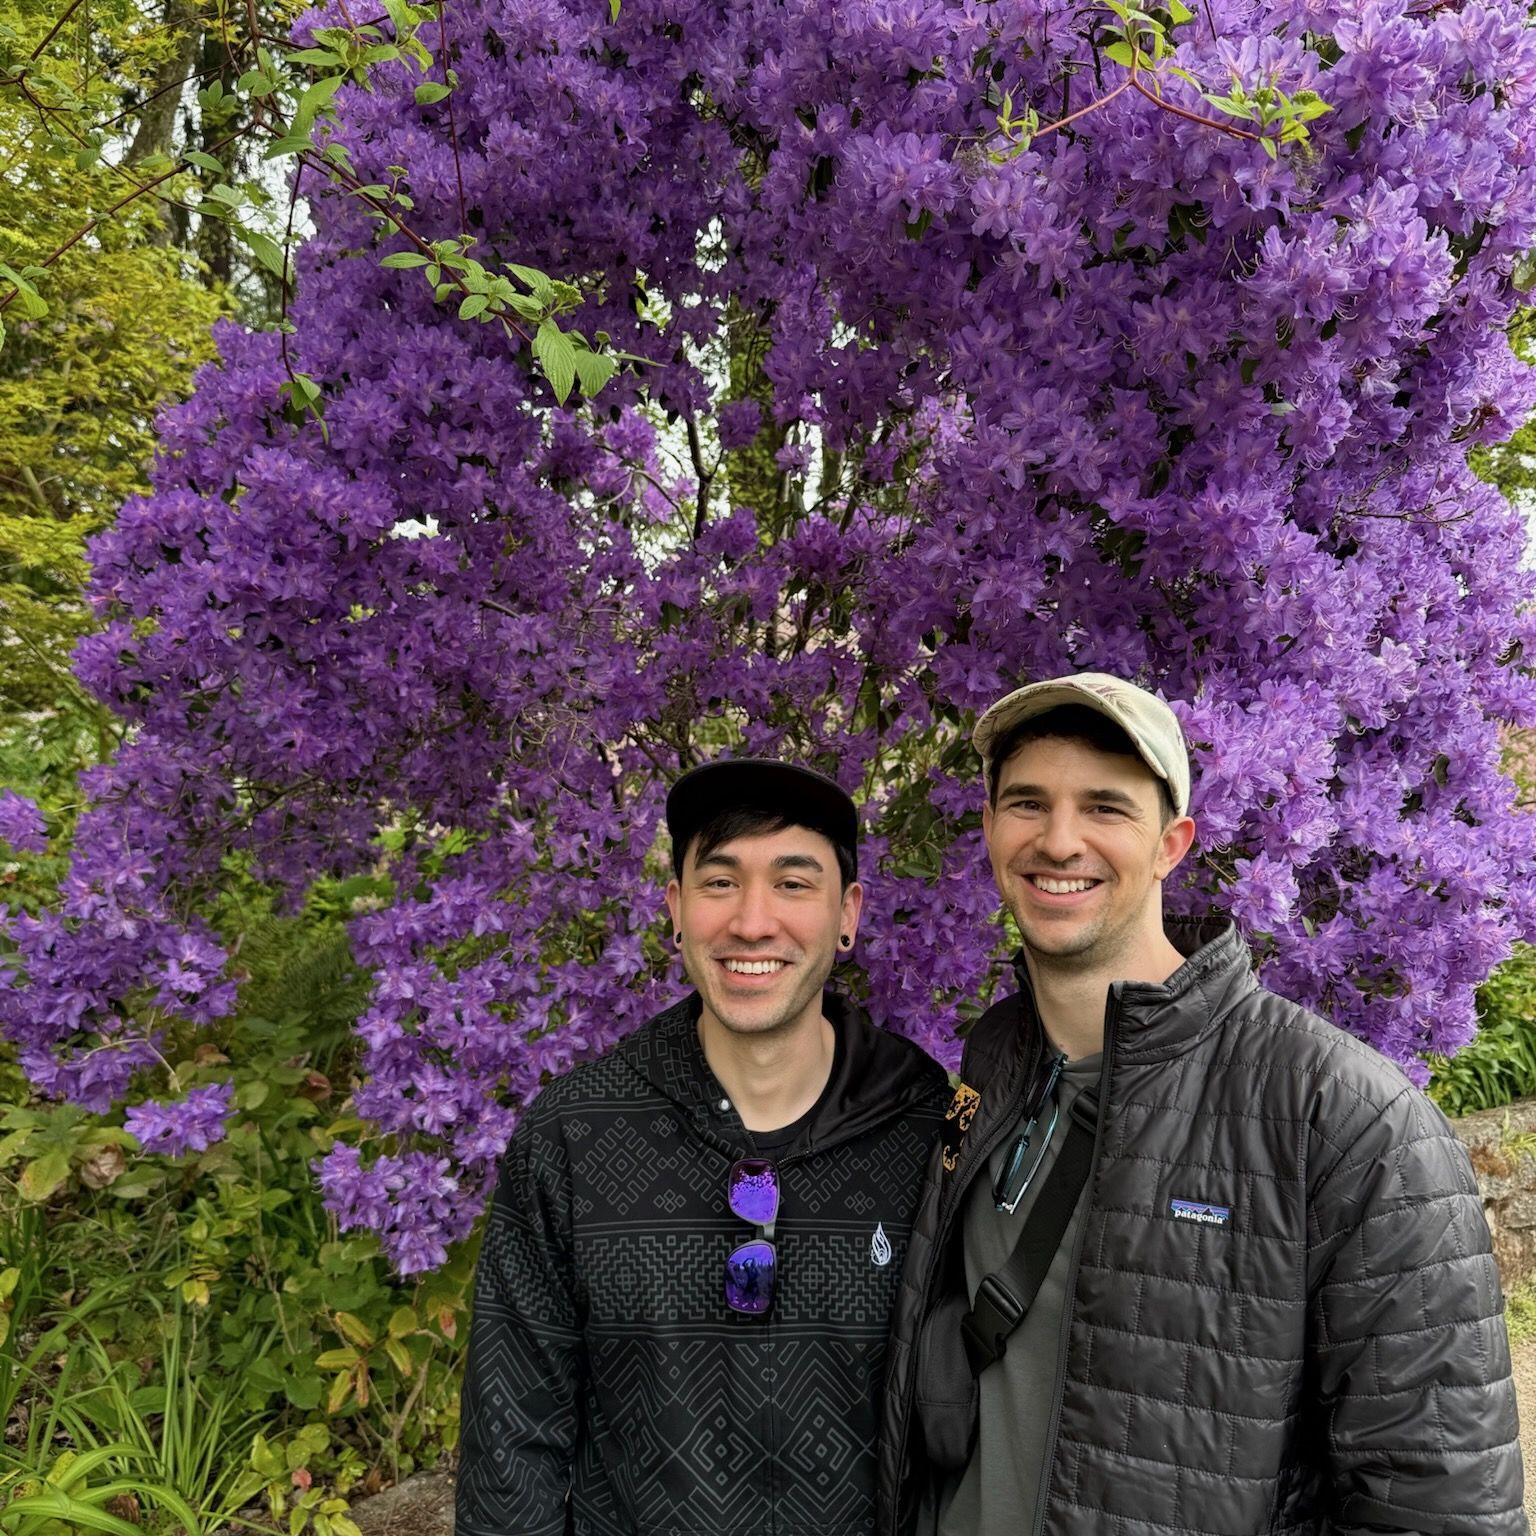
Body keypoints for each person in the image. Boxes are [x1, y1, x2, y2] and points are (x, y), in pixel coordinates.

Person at [880, 672, 1526, 1536]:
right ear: (992, 829)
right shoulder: (992, 1064)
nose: (1059, 839)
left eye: (1106, 808)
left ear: (1171, 845)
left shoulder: (1346, 1119)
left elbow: (1438, 1504)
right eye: (1027, 803)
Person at [457, 758, 950, 1536]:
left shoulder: (931, 1134)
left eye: (793, 884)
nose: (752, 922)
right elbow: (511, 1443)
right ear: (676, 908)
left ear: (847, 913)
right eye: (720, 882)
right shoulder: (574, 1135)